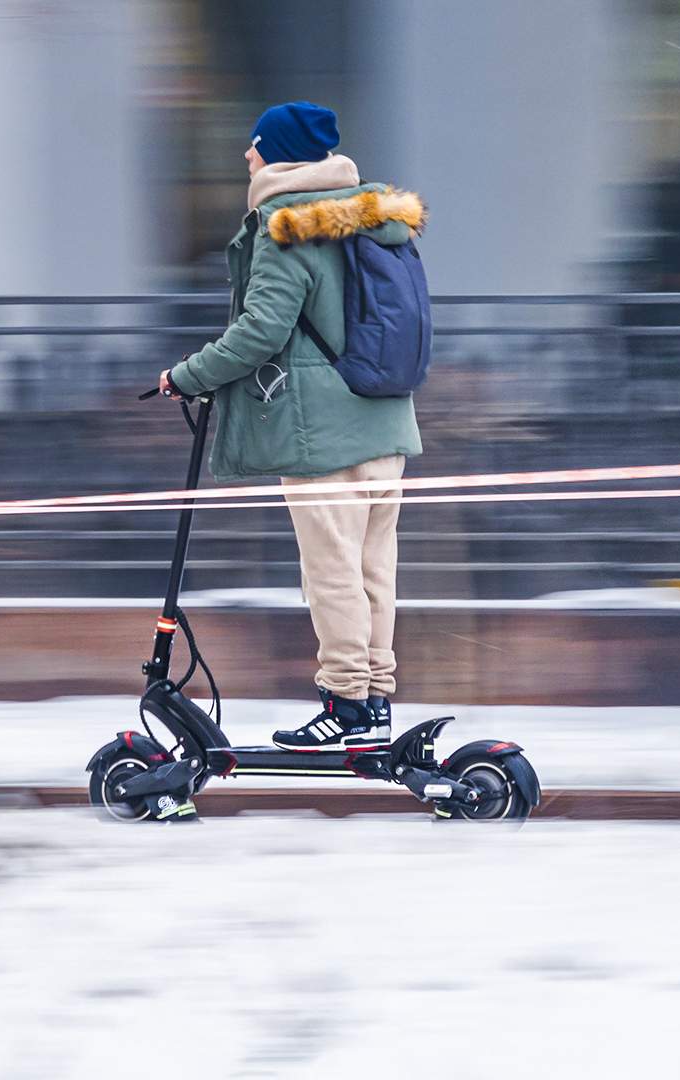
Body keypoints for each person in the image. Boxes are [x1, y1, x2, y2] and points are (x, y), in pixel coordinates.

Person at [158, 101, 424, 752]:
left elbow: (261, 331)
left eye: (254, 146)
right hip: (385, 420)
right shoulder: (375, 220)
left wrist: (187, 376)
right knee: (372, 573)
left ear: (280, 155)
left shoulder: (288, 228)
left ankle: (344, 703)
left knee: (331, 574)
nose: (247, 156)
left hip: (322, 435)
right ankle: (374, 701)